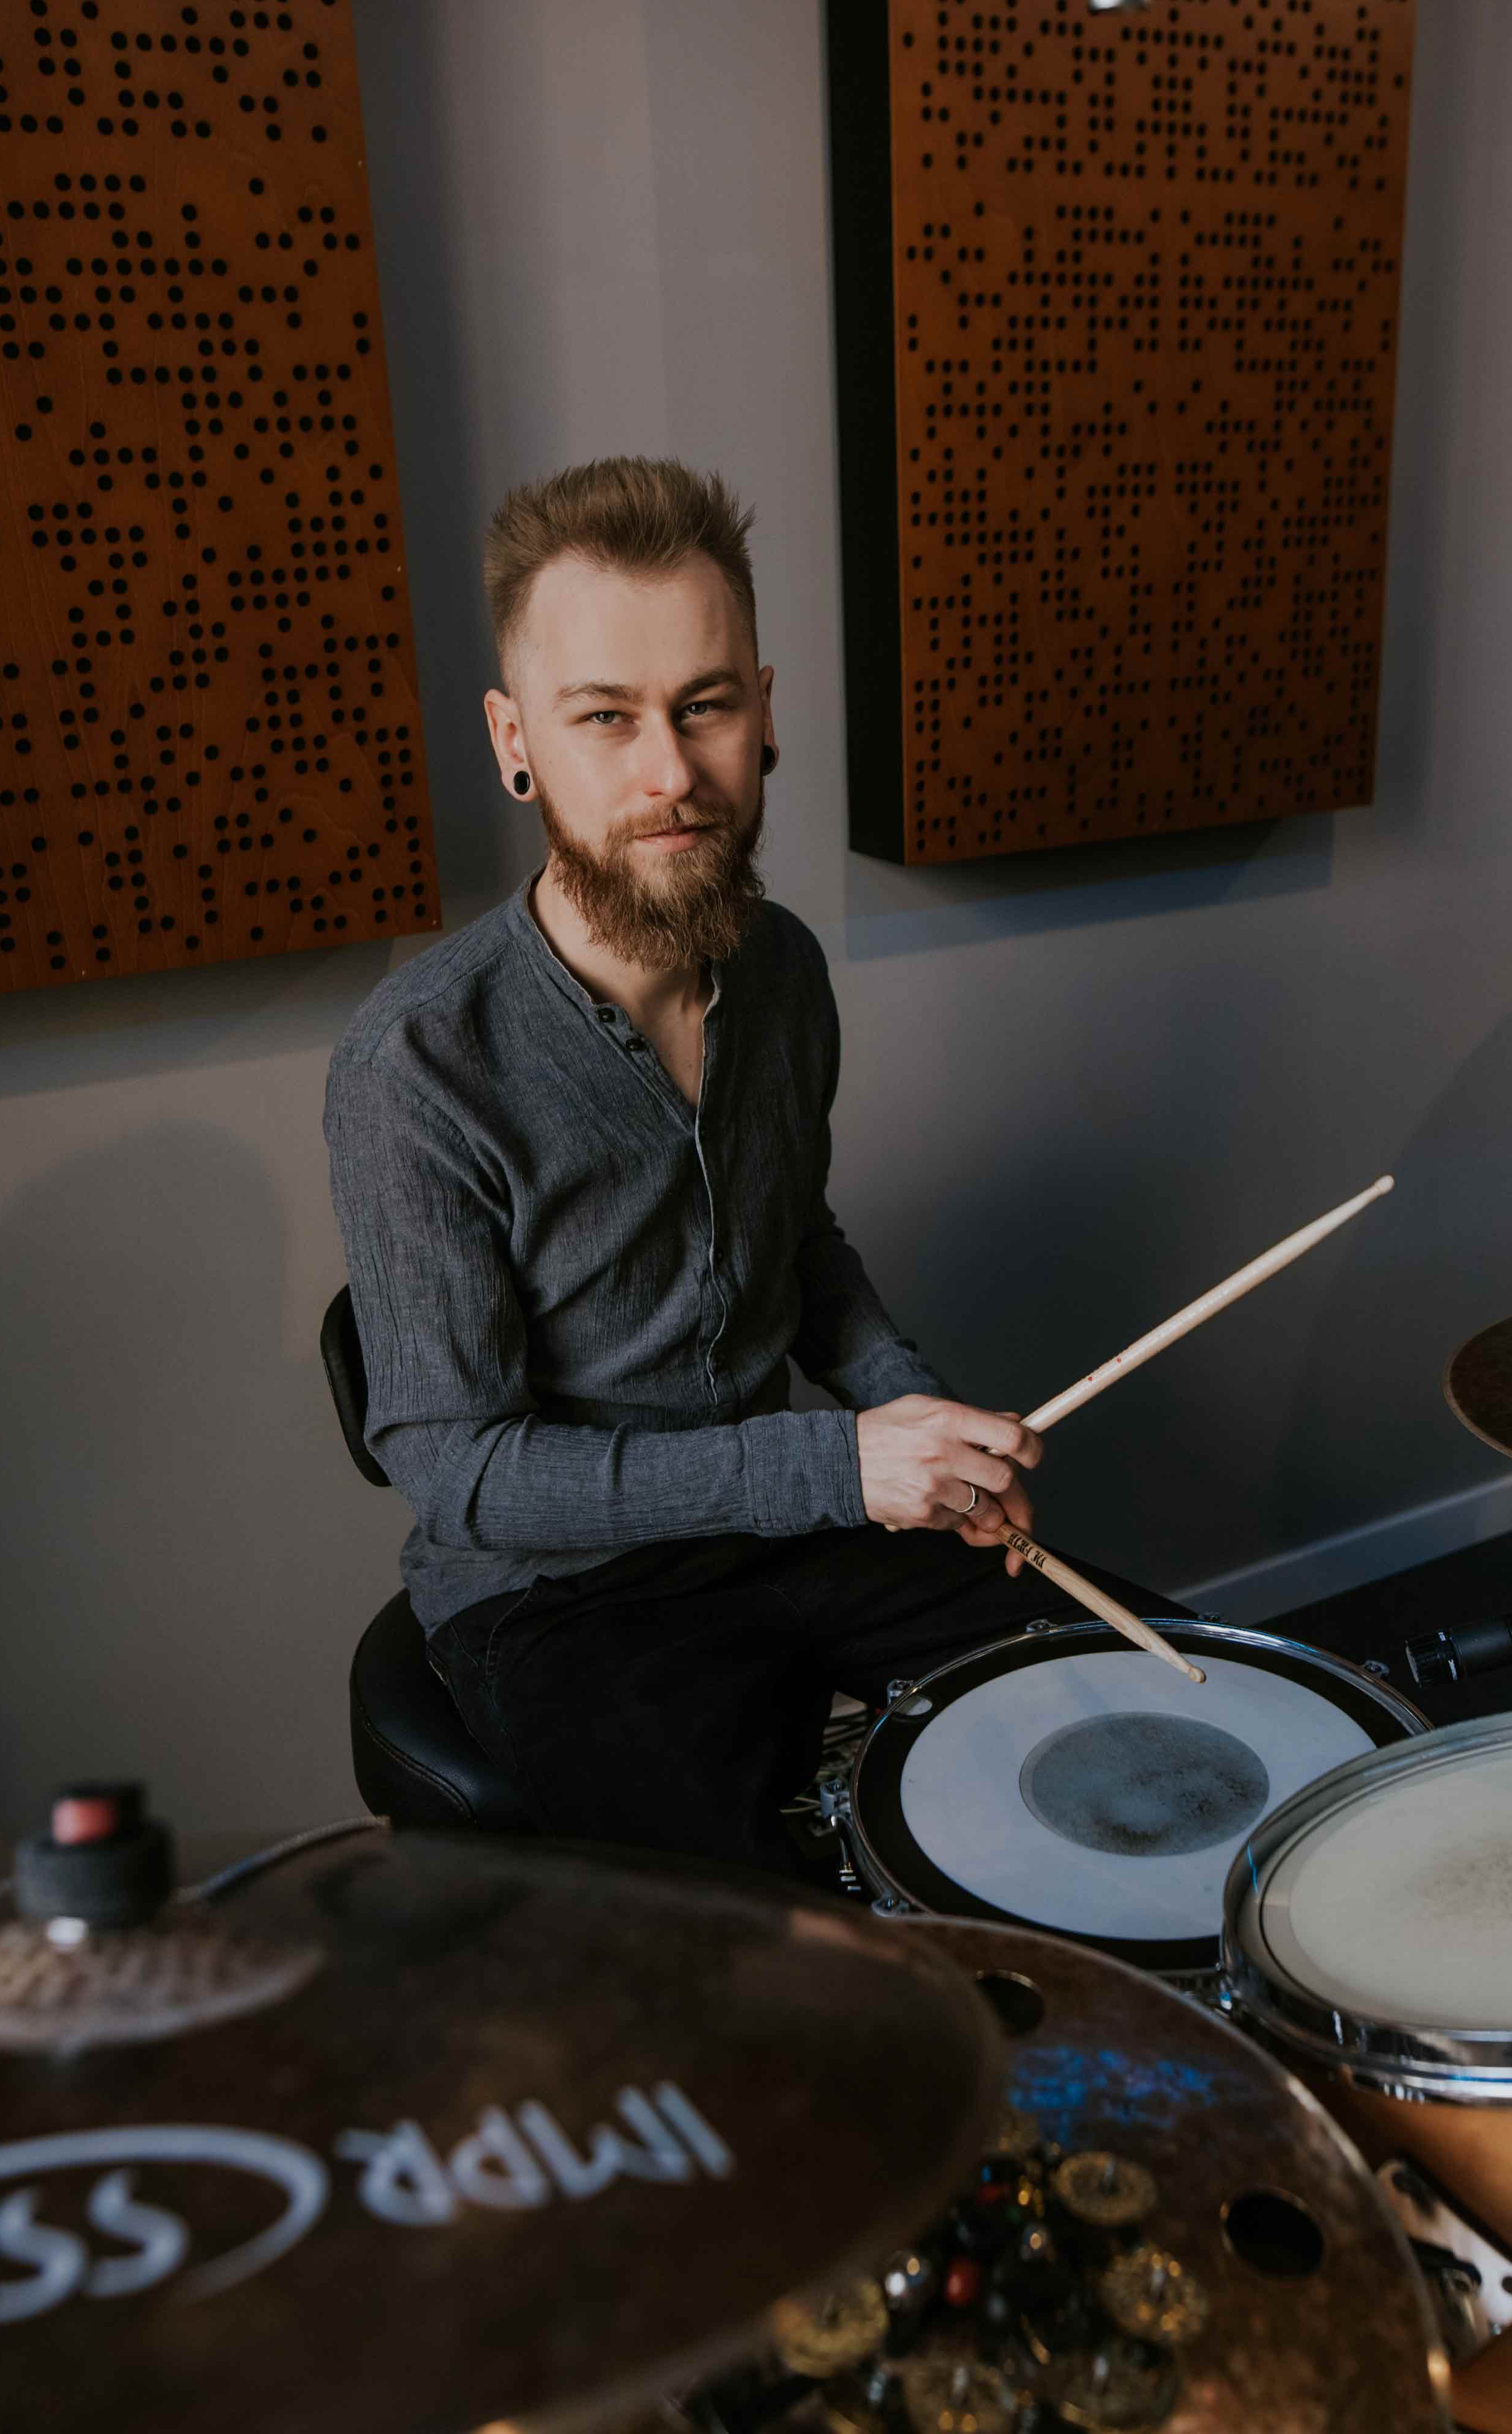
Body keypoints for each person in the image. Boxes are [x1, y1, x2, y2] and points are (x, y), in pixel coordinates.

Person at [323, 457, 1172, 1873]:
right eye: (605, 718)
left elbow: (798, 1245)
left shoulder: (780, 970)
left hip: (789, 1526)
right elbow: (465, 1475)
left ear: (763, 711)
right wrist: (838, 1461)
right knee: (769, 1955)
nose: (669, 774)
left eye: (704, 705)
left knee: (1166, 1717)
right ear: (514, 738)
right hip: (559, 1594)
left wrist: (910, 1411)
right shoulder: (414, 1062)